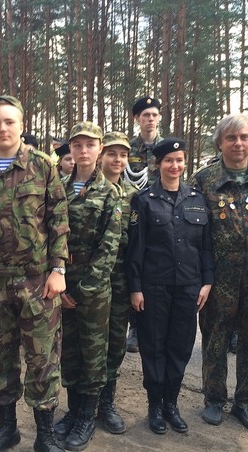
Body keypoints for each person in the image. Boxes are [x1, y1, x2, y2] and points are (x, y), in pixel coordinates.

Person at [0, 95, 69, 452]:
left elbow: (58, 220)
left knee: (42, 360)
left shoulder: (42, 166)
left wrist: (58, 268)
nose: (2, 128)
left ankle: (45, 435)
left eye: (9, 122)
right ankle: (7, 429)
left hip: (37, 281)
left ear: (22, 125)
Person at [189, 114, 248, 434]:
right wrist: (199, 276)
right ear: (220, 142)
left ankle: (247, 403)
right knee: (215, 337)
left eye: (244, 137)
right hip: (219, 274)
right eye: (231, 138)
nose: (238, 143)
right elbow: (194, 233)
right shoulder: (203, 179)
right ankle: (214, 399)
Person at [128, 138, 214, 434]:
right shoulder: (144, 200)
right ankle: (155, 405)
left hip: (188, 287)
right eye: (169, 160)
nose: (175, 165)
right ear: (158, 164)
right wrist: (135, 288)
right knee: (153, 347)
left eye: (179, 160)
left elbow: (206, 247)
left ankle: (171, 404)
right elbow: (136, 248)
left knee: (180, 347)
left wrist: (207, 281)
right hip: (154, 287)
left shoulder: (197, 199)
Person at [54, 123, 121, 450]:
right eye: (77, 145)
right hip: (61, 280)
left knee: (93, 353)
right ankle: (72, 410)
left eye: (90, 145)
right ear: (70, 148)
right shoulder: (59, 188)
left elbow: (109, 247)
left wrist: (81, 291)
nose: (83, 151)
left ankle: (87, 416)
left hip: (92, 287)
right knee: (69, 350)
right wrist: (59, 283)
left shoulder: (109, 192)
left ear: (99, 149)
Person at [94, 131, 137, 434]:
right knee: (86, 344)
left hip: (120, 279)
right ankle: (82, 405)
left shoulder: (135, 195)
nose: (118, 160)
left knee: (115, 343)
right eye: (112, 153)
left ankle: (106, 404)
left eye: (123, 155)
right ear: (101, 155)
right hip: (89, 279)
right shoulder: (84, 188)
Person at [125, 96, 164, 353]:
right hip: (134, 216)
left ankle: (154, 325)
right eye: (145, 115)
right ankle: (135, 327)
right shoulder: (128, 148)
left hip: (160, 216)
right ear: (137, 119)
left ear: (159, 118)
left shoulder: (167, 148)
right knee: (134, 267)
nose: (150, 119)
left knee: (156, 269)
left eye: (154, 114)